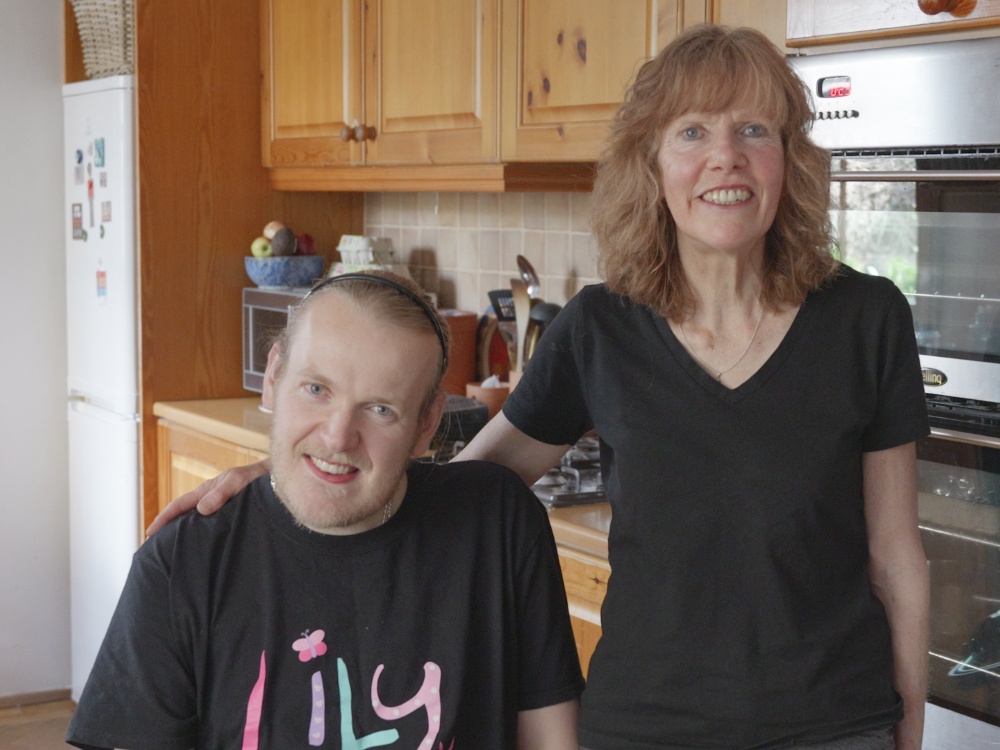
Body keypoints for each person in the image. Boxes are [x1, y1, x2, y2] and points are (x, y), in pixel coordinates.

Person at [149, 25, 931, 750]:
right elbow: (463, 487)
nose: (724, 157)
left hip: (836, 724)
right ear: (652, 163)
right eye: (692, 132)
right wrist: (295, 475)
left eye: (754, 130)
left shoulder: (864, 320)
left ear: (789, 159)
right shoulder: (601, 328)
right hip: (644, 728)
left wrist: (909, 732)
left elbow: (896, 559)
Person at [68, 271, 584, 749]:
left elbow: (551, 738)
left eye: (381, 409)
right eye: (316, 389)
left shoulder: (495, 523)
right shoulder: (184, 562)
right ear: (273, 377)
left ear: (427, 424)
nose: (338, 437)